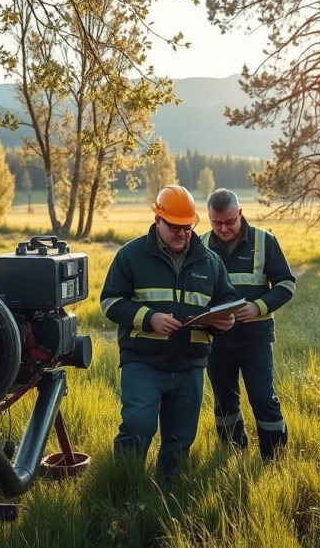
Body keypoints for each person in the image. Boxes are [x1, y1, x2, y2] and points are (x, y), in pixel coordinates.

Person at [100, 184, 238, 478]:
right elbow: (110, 302)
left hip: (190, 364)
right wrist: (149, 318)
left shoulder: (209, 261)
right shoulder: (131, 255)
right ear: (157, 220)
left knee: (180, 438)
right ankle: (124, 487)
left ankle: (169, 492)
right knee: (138, 425)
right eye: (173, 226)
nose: (181, 233)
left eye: (187, 227)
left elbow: (226, 298)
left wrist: (225, 320)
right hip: (143, 361)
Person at [200, 189, 296, 460]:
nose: (223, 228)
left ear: (240, 213)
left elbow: (286, 284)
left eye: (229, 222)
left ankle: (274, 457)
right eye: (216, 223)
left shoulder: (265, 241)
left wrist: (258, 307)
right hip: (215, 339)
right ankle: (232, 453)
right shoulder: (201, 244)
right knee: (224, 400)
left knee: (262, 397)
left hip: (255, 337)